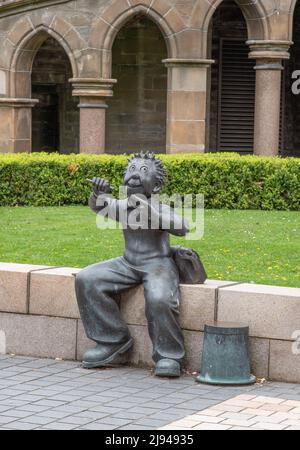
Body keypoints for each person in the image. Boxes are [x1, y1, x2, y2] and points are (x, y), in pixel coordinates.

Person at [75, 151, 189, 377]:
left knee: (159, 299)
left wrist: (151, 213)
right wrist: (98, 194)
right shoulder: (123, 206)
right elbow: (100, 206)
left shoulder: (159, 207)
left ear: (155, 187)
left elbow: (182, 227)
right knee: (87, 279)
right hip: (127, 264)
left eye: (143, 171)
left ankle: (168, 355)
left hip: (158, 265)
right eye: (132, 170)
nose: (135, 175)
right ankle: (113, 342)